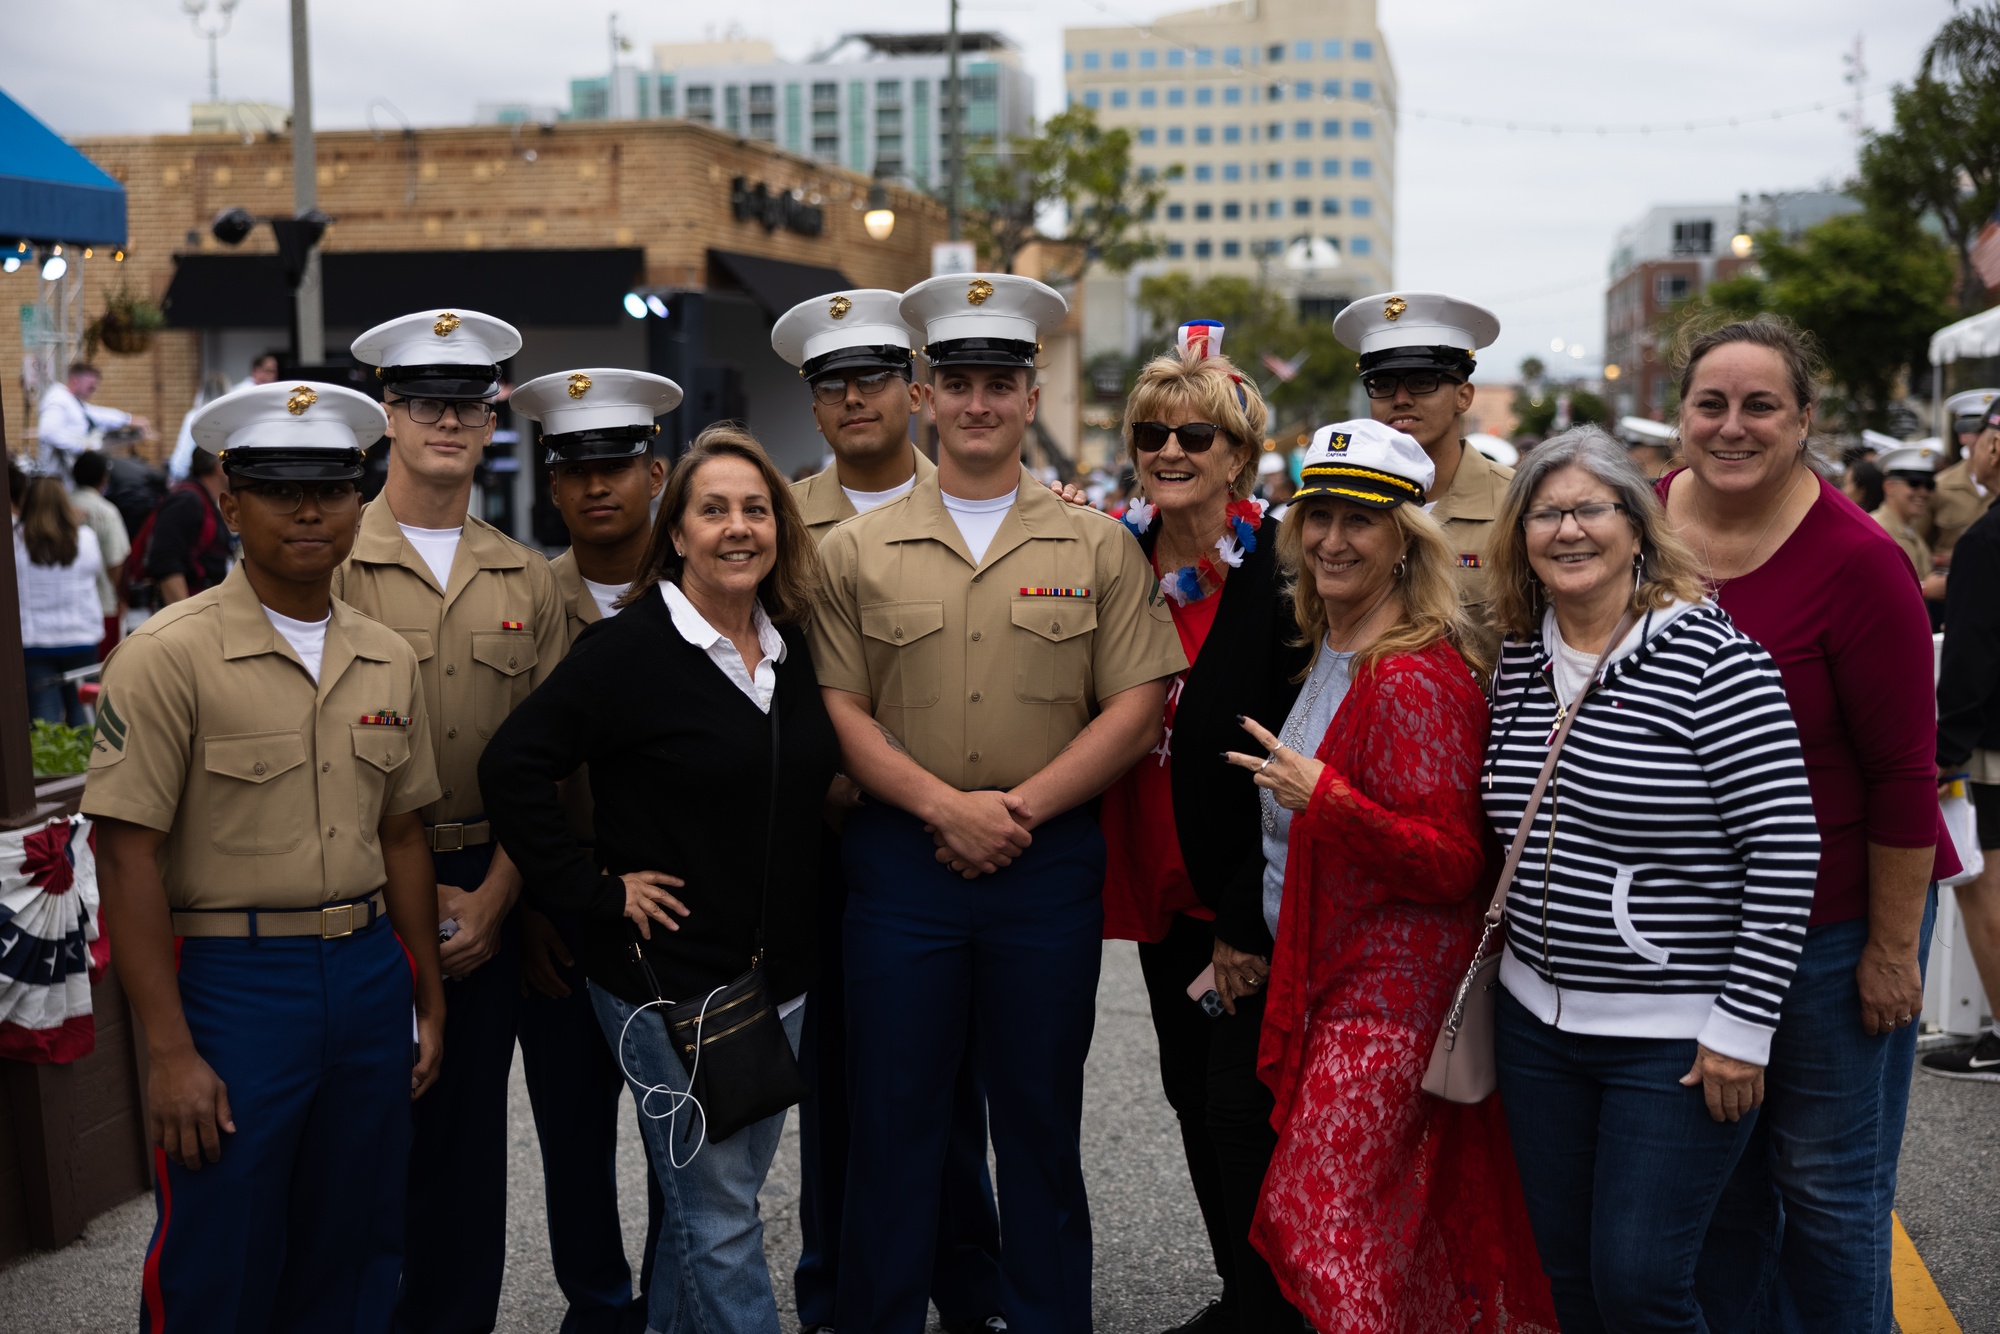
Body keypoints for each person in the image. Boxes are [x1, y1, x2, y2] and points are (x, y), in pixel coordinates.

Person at [813, 273, 1184, 1334]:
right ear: (925, 395)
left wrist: (1011, 810)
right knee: (893, 1126)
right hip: (898, 867)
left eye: (1000, 383)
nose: (977, 403)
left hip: (1042, 868)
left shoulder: (1097, 544)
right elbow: (837, 707)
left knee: (1036, 1123)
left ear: (1032, 398)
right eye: (958, 382)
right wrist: (944, 807)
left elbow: (1134, 701)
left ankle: (1045, 1316)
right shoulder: (852, 549)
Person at [84, 379, 445, 1332]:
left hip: (369, 974)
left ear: (359, 502)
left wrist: (427, 997)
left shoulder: (386, 657)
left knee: (360, 1242)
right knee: (221, 1253)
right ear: (229, 501)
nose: (310, 510)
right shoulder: (167, 655)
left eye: (330, 487)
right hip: (233, 985)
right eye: (280, 488)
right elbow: (123, 859)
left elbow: (402, 831)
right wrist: (167, 1051)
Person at [482, 425, 839, 1334]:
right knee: (721, 1217)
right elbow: (513, 766)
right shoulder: (629, 651)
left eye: (755, 509)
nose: (737, 527)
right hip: (666, 985)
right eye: (712, 509)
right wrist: (596, 891)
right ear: (674, 533)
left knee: (707, 1201)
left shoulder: (791, 649)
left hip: (778, 978)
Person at [1482, 426, 1819, 1331]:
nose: (1568, 530)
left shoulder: (1716, 661)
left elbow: (1786, 851)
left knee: (1642, 1285)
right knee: (1570, 1282)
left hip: (1674, 1040)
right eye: (1545, 513)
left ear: (1637, 524)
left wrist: (1743, 1028)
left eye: (1591, 508)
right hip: (1535, 1026)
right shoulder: (1517, 659)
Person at [1220, 419, 1552, 1331]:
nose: (1331, 538)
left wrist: (1325, 798)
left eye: (1358, 522)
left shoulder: (1409, 673)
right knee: (1387, 1235)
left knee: (1318, 1226)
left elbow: (1454, 863)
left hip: (1393, 997)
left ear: (1406, 542)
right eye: (1317, 515)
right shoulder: (1331, 646)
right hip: (1335, 976)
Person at [1656, 318, 1952, 1334]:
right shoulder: (1635, 524)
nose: (1731, 426)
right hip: (1692, 933)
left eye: (1759, 405)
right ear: (1680, 414)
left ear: (1804, 420)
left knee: (1826, 1196)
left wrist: (1884, 949)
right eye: (1710, 404)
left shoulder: (1858, 561)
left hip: (1832, 930)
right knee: (1721, 1197)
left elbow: (1903, 774)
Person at [770, 289, 1003, 1334]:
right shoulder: (775, 519)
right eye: (831, 385)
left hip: (953, 833)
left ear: (910, 391)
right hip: (822, 833)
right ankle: (836, 1287)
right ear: (814, 407)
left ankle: (969, 1282)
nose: (853, 397)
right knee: (835, 1077)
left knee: (948, 1078)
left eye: (870, 377)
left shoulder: (973, 493)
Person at [337, 308, 567, 1334]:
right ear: (387, 413)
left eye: (466, 403)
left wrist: (500, 898)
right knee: (362, 1144)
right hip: (355, 887)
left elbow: (552, 760)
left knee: (469, 1153)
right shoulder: (330, 558)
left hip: (485, 880)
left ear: (492, 418)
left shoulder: (525, 575)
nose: (446, 419)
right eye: (424, 400)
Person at [1094, 324, 1308, 1334]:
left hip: (1241, 894)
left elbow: (1293, 750)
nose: (1170, 451)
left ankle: (1274, 1305)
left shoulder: (1280, 572)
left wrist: (1246, 918)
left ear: (1239, 457)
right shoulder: (1111, 552)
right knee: (1187, 1091)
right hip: (1152, 877)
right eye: (1151, 433)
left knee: (1243, 1106)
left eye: (1196, 435)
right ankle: (1242, 1292)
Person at [509, 367, 680, 1332]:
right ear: (552, 483)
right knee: (572, 1133)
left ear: (656, 473)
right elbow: (512, 772)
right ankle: (597, 1305)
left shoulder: (712, 588)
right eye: (576, 470)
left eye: (618, 465)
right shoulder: (525, 602)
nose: (598, 487)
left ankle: (672, 1299)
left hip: (680, 908)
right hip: (566, 909)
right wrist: (538, 898)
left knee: (680, 1135)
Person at [1333, 292, 1512, 661]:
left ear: (1464, 396)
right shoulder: (1339, 502)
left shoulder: (1516, 505)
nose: (1399, 399)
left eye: (1421, 381)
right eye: (1381, 384)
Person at [1929, 400, 2000, 1081]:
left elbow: (1973, 661)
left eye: (1982, 438)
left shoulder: (1986, 540)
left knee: (1986, 893)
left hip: (1992, 747)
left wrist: (1946, 748)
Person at [15, 475, 106, 725]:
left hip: (34, 641)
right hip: (81, 637)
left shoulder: (15, 540)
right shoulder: (85, 538)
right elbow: (98, 571)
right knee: (83, 720)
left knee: (45, 723)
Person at [169, 350, 282, 481]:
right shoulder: (237, 401)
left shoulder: (194, 415)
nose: (274, 375)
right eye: (269, 370)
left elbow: (181, 458)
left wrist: (178, 477)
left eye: (275, 371)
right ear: (256, 370)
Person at [142, 447, 233, 605]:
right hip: (193, 614)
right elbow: (165, 561)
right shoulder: (187, 500)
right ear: (219, 467)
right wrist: (187, 618)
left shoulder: (204, 500)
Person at [35, 361, 152, 479]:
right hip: (56, 477)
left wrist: (127, 419)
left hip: (66, 476)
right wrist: (82, 447)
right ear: (75, 381)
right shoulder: (58, 400)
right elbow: (49, 432)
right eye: (90, 387)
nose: (93, 391)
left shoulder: (74, 402)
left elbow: (97, 414)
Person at [70, 451, 133, 657]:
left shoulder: (60, 506)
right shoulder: (106, 511)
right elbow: (116, 561)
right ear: (104, 478)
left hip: (67, 604)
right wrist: (120, 596)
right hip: (103, 605)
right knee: (100, 672)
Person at [1925, 387, 1998, 563]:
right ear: (1962, 436)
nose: (1984, 438)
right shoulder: (1939, 485)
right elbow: (1917, 547)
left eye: (1988, 430)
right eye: (1977, 431)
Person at [1870, 440, 1947, 599]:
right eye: (1914, 483)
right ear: (1889, 486)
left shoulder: (1909, 529)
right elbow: (1874, 588)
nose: (1923, 493)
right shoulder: (1876, 529)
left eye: (1929, 485)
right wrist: (1925, 589)